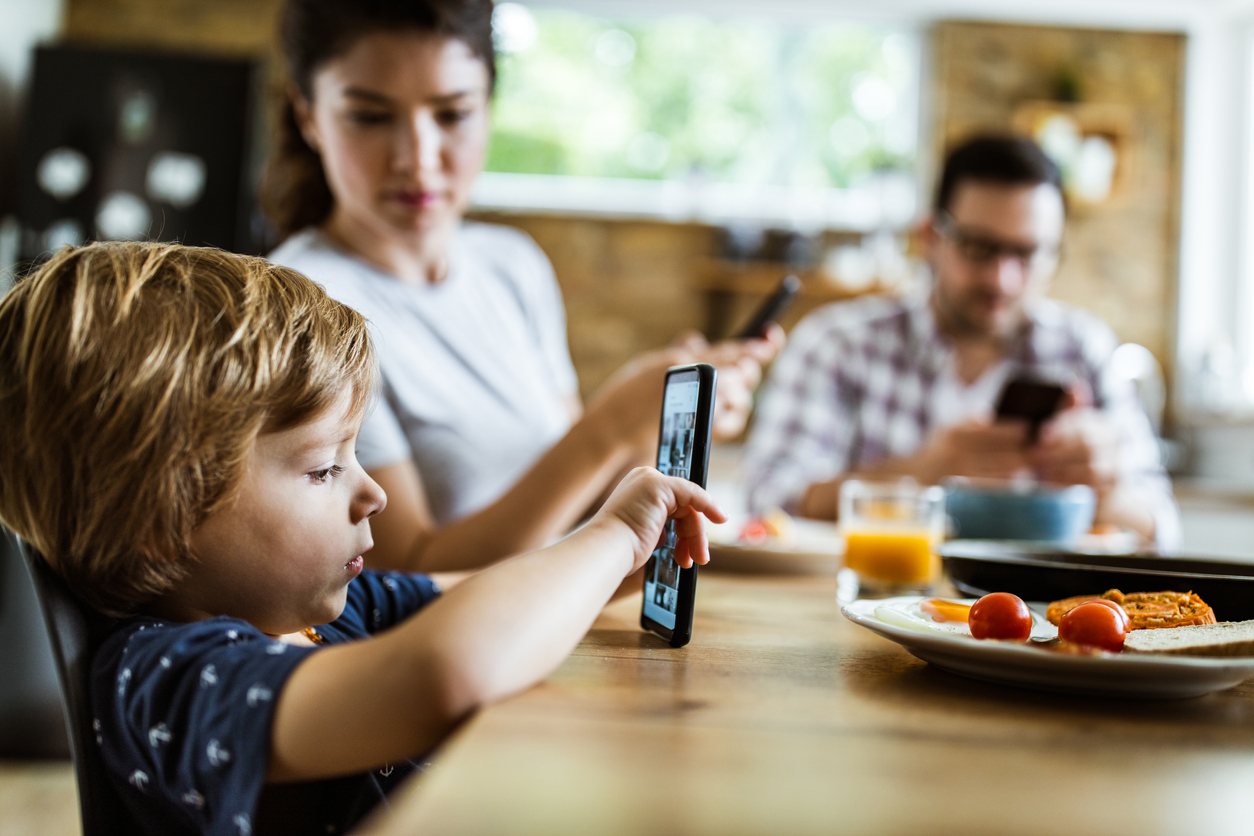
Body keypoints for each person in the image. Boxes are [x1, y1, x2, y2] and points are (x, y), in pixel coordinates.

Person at [0, 241, 725, 836]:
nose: (370, 490)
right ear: (161, 521)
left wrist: (623, 564)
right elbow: (449, 669)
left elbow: (481, 595)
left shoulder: (320, 612)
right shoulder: (169, 680)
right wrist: (613, 536)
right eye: (323, 469)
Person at [263, 0, 778, 574]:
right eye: (371, 117)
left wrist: (653, 421)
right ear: (309, 116)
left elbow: (579, 511)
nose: (417, 157)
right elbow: (408, 575)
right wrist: (606, 428)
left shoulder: (513, 265)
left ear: (488, 108)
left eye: (452, 114)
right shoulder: (299, 308)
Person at [744, 135, 1179, 549]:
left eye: (1026, 254)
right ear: (931, 237)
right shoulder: (837, 344)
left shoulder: (1084, 348)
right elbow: (767, 503)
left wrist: (1105, 488)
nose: (1001, 279)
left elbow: (1163, 529)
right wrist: (924, 472)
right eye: (978, 247)